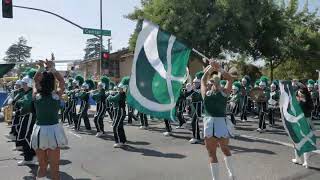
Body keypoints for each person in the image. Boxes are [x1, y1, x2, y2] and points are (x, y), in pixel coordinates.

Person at [30, 60, 68, 180]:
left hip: (40, 131)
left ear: (40, 84)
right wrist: (52, 68)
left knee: (42, 166)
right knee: (55, 167)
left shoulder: (36, 96)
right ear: (52, 84)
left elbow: (34, 80)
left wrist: (41, 68)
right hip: (53, 132)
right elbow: (62, 81)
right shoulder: (56, 96)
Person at [201, 61, 235, 180]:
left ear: (211, 84)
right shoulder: (225, 93)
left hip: (209, 124)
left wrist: (211, 67)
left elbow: (202, 80)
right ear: (219, 83)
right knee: (225, 149)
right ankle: (232, 175)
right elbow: (230, 79)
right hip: (221, 124)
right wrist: (219, 68)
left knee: (212, 153)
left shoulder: (205, 94)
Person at [16, 69, 37, 166]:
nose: (22, 85)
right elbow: (22, 102)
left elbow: (27, 105)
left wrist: (19, 105)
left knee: (26, 137)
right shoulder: (27, 93)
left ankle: (30, 157)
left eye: (24, 83)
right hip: (26, 116)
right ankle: (30, 156)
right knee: (25, 136)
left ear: (29, 84)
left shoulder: (30, 93)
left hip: (29, 116)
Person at [292, 84, 314, 168]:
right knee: (299, 141)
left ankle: (303, 161)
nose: (298, 94)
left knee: (302, 141)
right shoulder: (304, 100)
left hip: (302, 122)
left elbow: (308, 109)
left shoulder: (303, 101)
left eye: (300, 93)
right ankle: (301, 160)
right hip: (302, 122)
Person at [108, 77, 128, 148]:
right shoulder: (120, 94)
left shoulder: (120, 94)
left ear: (123, 89)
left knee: (115, 127)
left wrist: (110, 94)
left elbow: (112, 99)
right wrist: (113, 94)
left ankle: (119, 142)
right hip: (119, 112)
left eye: (120, 88)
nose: (118, 89)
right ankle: (123, 141)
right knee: (120, 127)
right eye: (119, 88)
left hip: (120, 112)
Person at [185, 71, 204, 144]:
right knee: (194, 122)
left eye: (196, 83)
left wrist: (193, 90)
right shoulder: (193, 89)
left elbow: (200, 95)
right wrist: (188, 90)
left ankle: (196, 137)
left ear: (200, 83)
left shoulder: (202, 89)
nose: (194, 84)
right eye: (194, 83)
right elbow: (186, 95)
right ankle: (197, 136)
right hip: (193, 107)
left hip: (199, 106)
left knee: (194, 122)